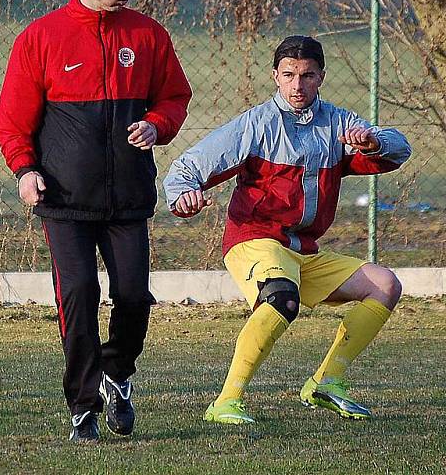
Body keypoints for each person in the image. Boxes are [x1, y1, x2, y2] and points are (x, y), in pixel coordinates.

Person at [0, 0, 192, 442]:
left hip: (127, 198)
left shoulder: (148, 36)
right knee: (79, 294)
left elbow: (175, 97)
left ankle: (117, 373)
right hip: (63, 200)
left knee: (132, 297)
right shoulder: (41, 37)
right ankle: (83, 407)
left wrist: (156, 124)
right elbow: (10, 122)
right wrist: (24, 171)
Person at [163, 35, 411, 425]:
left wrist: (373, 141)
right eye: (289, 75)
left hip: (302, 249)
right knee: (281, 297)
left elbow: (399, 148)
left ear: (321, 77)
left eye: (308, 75)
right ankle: (226, 402)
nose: (298, 85)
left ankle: (327, 383)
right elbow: (187, 167)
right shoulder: (256, 124)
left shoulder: (340, 123)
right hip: (254, 240)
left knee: (384, 284)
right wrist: (184, 196)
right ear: (275, 76)